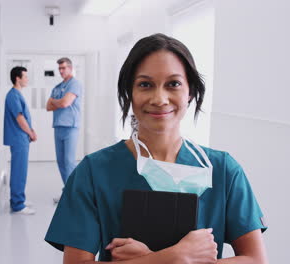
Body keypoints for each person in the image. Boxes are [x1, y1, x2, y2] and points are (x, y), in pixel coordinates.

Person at [45, 33, 268, 263]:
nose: (160, 98)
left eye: (173, 84)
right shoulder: (93, 172)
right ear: (129, 93)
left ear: (190, 91)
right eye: (145, 85)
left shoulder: (223, 170)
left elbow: (255, 259)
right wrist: (177, 256)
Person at [46, 57, 83, 203]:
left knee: (69, 162)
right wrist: (58, 103)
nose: (61, 71)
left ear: (70, 68)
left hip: (70, 127)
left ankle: (75, 195)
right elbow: (48, 106)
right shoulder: (57, 86)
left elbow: (65, 103)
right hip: (58, 126)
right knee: (61, 162)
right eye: (59, 68)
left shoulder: (75, 84)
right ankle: (68, 191)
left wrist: (57, 102)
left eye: (64, 68)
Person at [3, 66, 37, 215]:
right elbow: (19, 118)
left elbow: (24, 116)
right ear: (18, 78)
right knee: (18, 171)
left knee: (21, 171)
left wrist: (31, 130)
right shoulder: (13, 96)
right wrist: (30, 132)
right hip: (19, 138)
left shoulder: (16, 94)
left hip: (21, 137)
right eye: (25, 76)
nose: (27, 79)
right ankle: (17, 205)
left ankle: (19, 200)